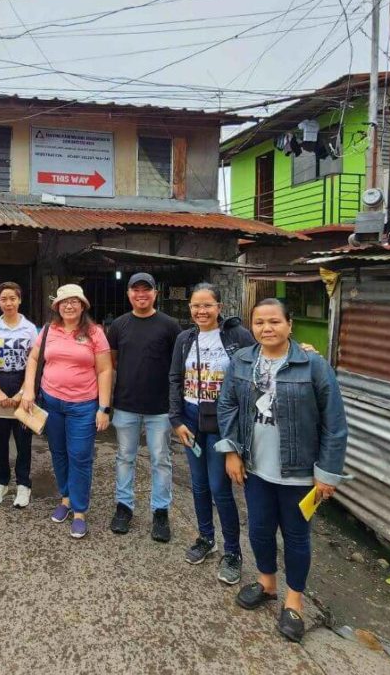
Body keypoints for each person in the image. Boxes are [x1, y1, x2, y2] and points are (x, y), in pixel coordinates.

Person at [216, 298, 348, 643]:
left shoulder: (313, 366)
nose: (266, 328)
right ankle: (267, 583)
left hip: (300, 472)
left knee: (296, 536)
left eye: (274, 322)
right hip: (255, 466)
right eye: (259, 322)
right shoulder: (243, 361)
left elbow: (334, 424)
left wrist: (327, 473)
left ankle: (294, 601)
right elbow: (227, 404)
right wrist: (231, 451)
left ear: (290, 325)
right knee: (259, 529)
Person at [169, 282, 255, 586]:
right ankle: (206, 537)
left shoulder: (236, 336)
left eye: (207, 305)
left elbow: (256, 370)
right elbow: (175, 379)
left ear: (219, 308)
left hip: (223, 420)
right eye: (195, 305)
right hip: (191, 419)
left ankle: (233, 552)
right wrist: (176, 419)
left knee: (220, 488)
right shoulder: (184, 338)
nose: (201, 311)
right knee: (199, 484)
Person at [21, 284, 113, 539]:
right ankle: (65, 499)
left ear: (82, 306)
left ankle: (80, 511)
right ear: (57, 307)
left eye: (74, 301)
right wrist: (28, 390)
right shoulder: (49, 330)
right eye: (64, 302)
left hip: (83, 405)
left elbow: (105, 370)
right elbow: (33, 359)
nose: (69, 306)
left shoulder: (95, 333)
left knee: (80, 456)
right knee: (58, 453)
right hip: (52, 402)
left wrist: (103, 408)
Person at [107, 273, 181, 542]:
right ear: (128, 294)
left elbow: (176, 366)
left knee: (161, 460)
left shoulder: (170, 325)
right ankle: (124, 507)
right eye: (135, 290)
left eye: (146, 290)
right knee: (125, 458)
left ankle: (160, 513)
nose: (141, 294)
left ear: (155, 293)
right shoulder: (118, 325)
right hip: (126, 404)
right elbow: (113, 361)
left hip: (160, 408)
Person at [0, 282, 38, 508]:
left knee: (23, 439)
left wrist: (24, 391)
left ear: (19, 300)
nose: (8, 303)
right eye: (4, 299)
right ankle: (1, 482)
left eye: (12, 298)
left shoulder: (30, 328)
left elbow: (34, 362)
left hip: (24, 383)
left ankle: (24, 484)